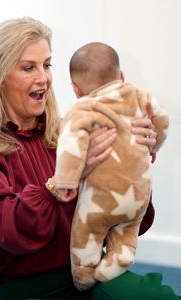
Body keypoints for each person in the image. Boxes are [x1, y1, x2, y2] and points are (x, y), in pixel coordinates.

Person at [0, 17, 179, 300]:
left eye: (47, 65)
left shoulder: (69, 131)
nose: (44, 78)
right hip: (27, 289)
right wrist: (65, 180)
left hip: (94, 273)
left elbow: (134, 218)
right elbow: (9, 230)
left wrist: (133, 156)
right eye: (28, 67)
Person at [53, 42, 169, 290]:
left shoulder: (83, 107)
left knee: (86, 232)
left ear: (75, 89)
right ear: (123, 76)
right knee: (127, 230)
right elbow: (163, 119)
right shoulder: (139, 95)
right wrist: (154, 143)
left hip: (100, 200)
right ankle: (122, 254)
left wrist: (65, 181)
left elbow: (70, 144)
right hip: (138, 196)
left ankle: (84, 275)